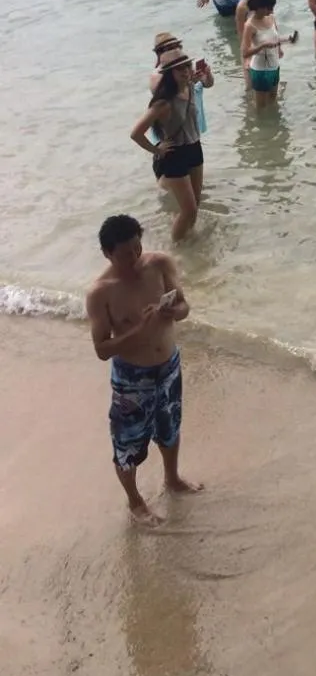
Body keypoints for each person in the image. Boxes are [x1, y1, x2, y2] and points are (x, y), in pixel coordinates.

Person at [86, 214, 200, 527]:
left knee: (171, 427)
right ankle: (135, 502)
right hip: (131, 379)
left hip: (169, 366)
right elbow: (102, 349)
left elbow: (184, 307)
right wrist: (141, 328)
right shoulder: (101, 293)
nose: (134, 258)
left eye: (138, 248)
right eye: (125, 254)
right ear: (108, 254)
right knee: (128, 445)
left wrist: (170, 311)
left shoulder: (160, 264)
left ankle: (172, 479)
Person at [131, 48, 213, 242]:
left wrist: (207, 74)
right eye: (179, 69)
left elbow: (209, 84)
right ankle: (177, 247)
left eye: (187, 66)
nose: (185, 71)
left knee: (196, 203)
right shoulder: (163, 103)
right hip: (175, 154)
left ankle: (188, 238)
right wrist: (157, 149)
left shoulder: (190, 87)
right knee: (188, 209)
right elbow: (136, 133)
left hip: (195, 148)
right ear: (169, 75)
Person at [242, 0, 296, 105]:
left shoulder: (271, 18)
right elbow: (245, 53)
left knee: (273, 99)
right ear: (259, 7)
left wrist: (287, 40)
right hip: (260, 70)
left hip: (274, 66)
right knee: (261, 106)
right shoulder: (249, 25)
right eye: (269, 8)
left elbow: (275, 37)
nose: (271, 11)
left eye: (272, 7)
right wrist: (263, 45)